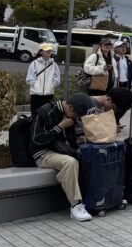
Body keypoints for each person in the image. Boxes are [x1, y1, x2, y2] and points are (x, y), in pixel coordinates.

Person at [30, 93, 99, 222]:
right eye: (77, 115)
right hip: (43, 153)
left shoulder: (69, 115)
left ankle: (96, 198)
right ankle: (76, 206)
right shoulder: (45, 112)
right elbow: (36, 140)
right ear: (71, 108)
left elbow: (67, 138)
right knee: (70, 162)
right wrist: (60, 126)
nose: (77, 118)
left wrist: (79, 140)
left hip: (62, 151)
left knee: (90, 156)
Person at [110, 40, 132, 122]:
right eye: (121, 47)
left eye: (124, 46)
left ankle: (117, 119)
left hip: (126, 85)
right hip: (116, 85)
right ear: (115, 49)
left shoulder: (128, 60)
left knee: (126, 104)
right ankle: (114, 121)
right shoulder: (113, 59)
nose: (124, 48)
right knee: (115, 104)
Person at [26, 43, 60, 113]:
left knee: (47, 114)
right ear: (40, 52)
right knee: (35, 114)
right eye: (46, 50)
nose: (49, 51)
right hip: (36, 94)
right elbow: (29, 79)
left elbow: (57, 78)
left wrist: (52, 86)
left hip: (49, 94)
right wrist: (36, 86)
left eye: (50, 50)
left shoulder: (54, 64)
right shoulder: (34, 63)